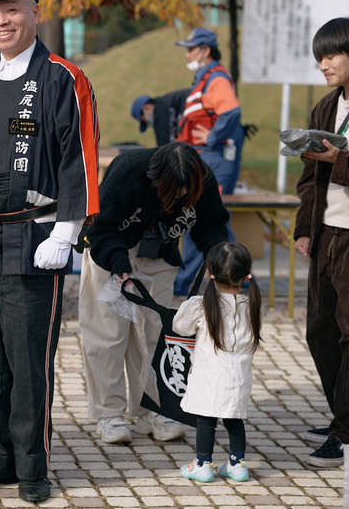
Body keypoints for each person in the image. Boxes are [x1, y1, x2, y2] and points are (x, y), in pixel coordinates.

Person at [0, 0, 100, 504]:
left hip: (33, 241)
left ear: (36, 12)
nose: (2, 20)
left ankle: (32, 465)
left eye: (12, 9)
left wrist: (67, 231)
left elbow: (79, 157)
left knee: (27, 357)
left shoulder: (62, 78)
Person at [80, 142, 229, 446]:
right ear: (155, 180)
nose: (179, 199)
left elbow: (211, 224)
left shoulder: (204, 178)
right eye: (173, 192)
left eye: (186, 194)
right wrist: (118, 262)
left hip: (160, 254)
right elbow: (100, 226)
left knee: (156, 335)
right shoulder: (128, 171)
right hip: (113, 251)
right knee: (109, 334)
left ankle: (152, 410)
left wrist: (218, 256)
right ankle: (109, 414)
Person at [294, 16, 349, 468]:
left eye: (331, 55)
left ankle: (348, 431)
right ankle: (347, 414)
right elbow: (309, 179)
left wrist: (340, 158)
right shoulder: (326, 106)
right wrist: (305, 229)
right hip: (325, 233)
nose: (323, 64)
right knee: (318, 329)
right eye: (319, 57)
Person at [174, 241, 263, 483]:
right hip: (239, 378)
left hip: (209, 377)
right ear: (246, 276)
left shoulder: (201, 305)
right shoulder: (252, 306)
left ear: (208, 274)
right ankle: (237, 463)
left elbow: (179, 327)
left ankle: (202, 463)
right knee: (234, 418)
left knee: (206, 420)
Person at [173, 28, 244, 295]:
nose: (187, 54)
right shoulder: (205, 78)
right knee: (208, 220)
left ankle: (189, 283)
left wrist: (213, 136)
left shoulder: (215, 78)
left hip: (214, 159)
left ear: (205, 50)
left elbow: (231, 111)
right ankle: (239, 274)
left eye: (191, 48)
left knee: (205, 220)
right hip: (206, 159)